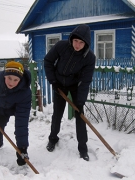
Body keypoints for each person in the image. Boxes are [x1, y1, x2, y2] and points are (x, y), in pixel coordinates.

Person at [44, 24, 96, 161]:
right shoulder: (61, 46)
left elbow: (85, 80)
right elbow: (48, 61)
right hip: (59, 83)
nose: (77, 45)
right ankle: (53, 139)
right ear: (71, 39)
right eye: (75, 41)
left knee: (80, 115)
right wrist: (53, 81)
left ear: (86, 43)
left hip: (75, 85)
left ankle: (83, 148)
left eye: (81, 42)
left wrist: (80, 101)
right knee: (57, 113)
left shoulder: (89, 57)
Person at [0, 61, 31, 166]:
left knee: (20, 127)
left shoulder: (25, 92)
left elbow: (22, 122)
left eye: (16, 80)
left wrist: (22, 148)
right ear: (4, 75)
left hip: (16, 107)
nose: (11, 82)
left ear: (20, 80)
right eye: (9, 78)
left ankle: (22, 150)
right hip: (1, 106)